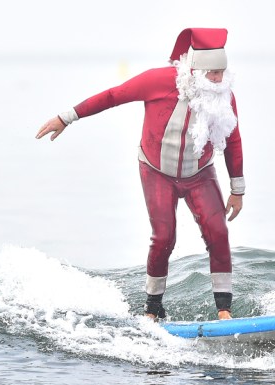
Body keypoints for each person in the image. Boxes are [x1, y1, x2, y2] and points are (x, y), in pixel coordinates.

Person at [36, 28, 244, 321]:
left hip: (200, 173)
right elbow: (113, 96)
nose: (219, 80)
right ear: (195, 69)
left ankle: (224, 310)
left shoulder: (223, 96)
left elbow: (233, 139)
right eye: (212, 73)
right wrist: (66, 118)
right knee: (164, 237)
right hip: (157, 172)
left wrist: (238, 189)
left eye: (222, 72)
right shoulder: (158, 81)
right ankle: (152, 310)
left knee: (219, 231)